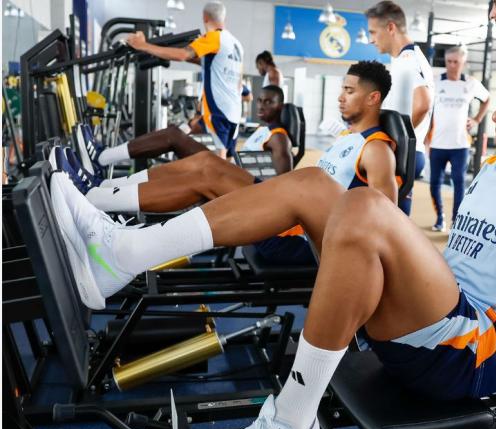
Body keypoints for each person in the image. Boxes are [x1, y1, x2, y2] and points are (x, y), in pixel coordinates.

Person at [51, 56, 496, 429]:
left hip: (472, 353)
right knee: (316, 185)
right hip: (428, 323)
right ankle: (123, 254)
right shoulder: (495, 170)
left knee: (367, 206)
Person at [61, 61, 397, 269]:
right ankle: (99, 192)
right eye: (341, 89)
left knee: (207, 173)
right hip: (290, 215)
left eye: (349, 91)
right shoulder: (347, 141)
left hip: (300, 236)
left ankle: (95, 202)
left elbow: (385, 222)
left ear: (373, 98)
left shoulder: (377, 149)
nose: (340, 97)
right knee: (206, 162)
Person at [78, 86, 293, 214]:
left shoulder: (279, 138)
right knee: (175, 136)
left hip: (247, 194)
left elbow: (281, 189)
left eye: (269, 102)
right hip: (234, 175)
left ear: (280, 106)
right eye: (261, 101)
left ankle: (102, 169)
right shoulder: (261, 131)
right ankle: (104, 181)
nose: (262, 106)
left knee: (185, 149)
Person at [126, 1, 243, 159]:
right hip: (234, 113)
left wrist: (144, 46)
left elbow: (183, 55)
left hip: (218, 112)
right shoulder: (236, 44)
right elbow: (206, 64)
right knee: (189, 131)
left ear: (205, 17)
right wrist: (162, 52)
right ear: (224, 18)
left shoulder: (214, 37)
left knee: (220, 163)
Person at [366, 0, 434, 215]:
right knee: (391, 225)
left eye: (373, 32)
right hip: (404, 152)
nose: (371, 39)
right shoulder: (402, 60)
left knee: (391, 225)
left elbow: (423, 104)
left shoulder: (408, 59)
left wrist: (396, 142)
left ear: (391, 28)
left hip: (403, 154)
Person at [429, 44, 490, 232]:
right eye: (449, 61)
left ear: (463, 62)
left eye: (456, 62)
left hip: (460, 144)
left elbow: (487, 99)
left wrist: (477, 120)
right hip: (437, 143)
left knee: (459, 182)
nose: (452, 65)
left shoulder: (470, 83)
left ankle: (456, 221)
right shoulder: (435, 81)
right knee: (434, 184)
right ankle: (440, 218)